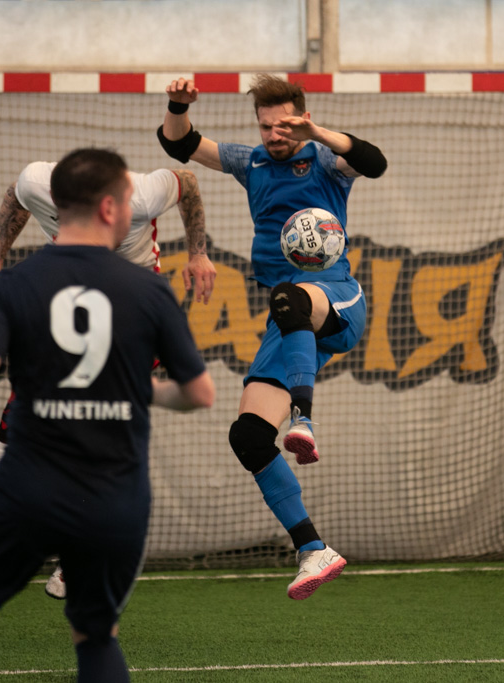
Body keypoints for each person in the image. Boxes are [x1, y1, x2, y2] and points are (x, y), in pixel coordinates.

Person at [0, 147, 215, 682]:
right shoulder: (151, 291)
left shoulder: (15, 285)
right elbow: (200, 394)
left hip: (25, 490)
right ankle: (69, 559)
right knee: (97, 638)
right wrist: (138, 390)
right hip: (115, 497)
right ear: (110, 208)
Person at [158, 73, 387, 599]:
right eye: (266, 126)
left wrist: (317, 133)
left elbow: (374, 161)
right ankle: (312, 548)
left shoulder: (326, 160)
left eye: (284, 126)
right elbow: (180, 143)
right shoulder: (251, 162)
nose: (274, 135)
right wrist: (177, 104)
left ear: (302, 118)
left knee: (290, 296)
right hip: (285, 318)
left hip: (335, 298)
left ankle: (304, 418)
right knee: (249, 437)